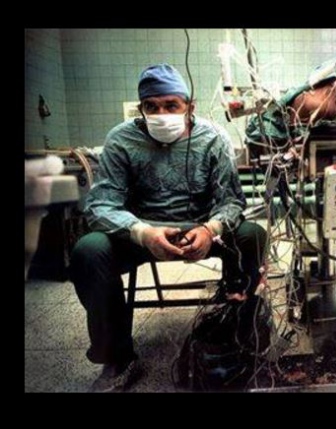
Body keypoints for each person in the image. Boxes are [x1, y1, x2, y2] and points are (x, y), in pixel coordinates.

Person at [69, 63, 267, 392]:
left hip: (202, 229)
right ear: (141, 108)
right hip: (140, 233)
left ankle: (238, 335)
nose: (161, 114)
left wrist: (211, 229)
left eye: (171, 105)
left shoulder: (212, 138)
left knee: (252, 236)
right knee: (89, 250)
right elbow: (101, 205)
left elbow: (232, 201)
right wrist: (143, 233)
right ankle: (117, 355)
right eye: (151, 107)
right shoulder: (122, 140)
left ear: (190, 106)